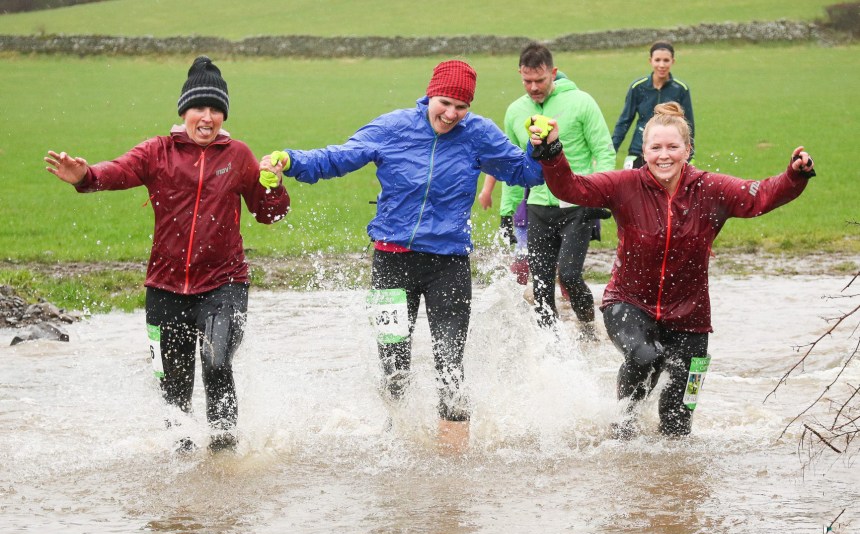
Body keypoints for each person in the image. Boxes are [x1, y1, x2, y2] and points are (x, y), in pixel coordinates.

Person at [269, 60, 544, 449]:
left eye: (461, 107)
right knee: (393, 366)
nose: (451, 114)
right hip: (391, 263)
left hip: (448, 265)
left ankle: (453, 461)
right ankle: (398, 449)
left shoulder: (478, 134)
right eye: (445, 103)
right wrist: (291, 161)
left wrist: (541, 147)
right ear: (430, 95)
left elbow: (527, 173)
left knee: (450, 364)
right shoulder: (393, 127)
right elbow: (338, 158)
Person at [44, 56, 291, 453]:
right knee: (173, 389)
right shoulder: (157, 152)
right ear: (184, 112)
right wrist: (86, 177)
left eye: (216, 109)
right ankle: (183, 462)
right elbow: (118, 171)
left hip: (224, 284)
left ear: (224, 115)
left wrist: (274, 187)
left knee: (217, 363)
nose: (207, 117)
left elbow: (268, 214)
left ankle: (224, 457)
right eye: (199, 108)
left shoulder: (238, 156)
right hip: (165, 288)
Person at [529, 102, 815, 437]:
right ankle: (622, 427)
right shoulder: (625, 185)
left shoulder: (709, 188)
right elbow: (571, 188)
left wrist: (794, 175)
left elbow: (760, 196)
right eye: (655, 148)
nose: (664, 156)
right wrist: (551, 151)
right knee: (645, 356)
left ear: (687, 150)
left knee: (679, 423)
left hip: (691, 318)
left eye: (672, 147)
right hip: (628, 303)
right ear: (644, 151)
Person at [482, 43, 615, 335]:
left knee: (569, 276)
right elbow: (514, 167)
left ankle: (589, 331)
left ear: (553, 73)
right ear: (520, 75)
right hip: (538, 208)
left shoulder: (582, 102)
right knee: (541, 285)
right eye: (527, 81)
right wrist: (506, 212)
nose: (533, 87)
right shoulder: (515, 111)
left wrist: (598, 195)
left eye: (540, 80)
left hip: (577, 205)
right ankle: (550, 347)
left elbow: (604, 151)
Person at [612, 41, 695, 169]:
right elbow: (624, 121)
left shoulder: (681, 89)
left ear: (673, 61)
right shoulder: (638, 87)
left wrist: (689, 156)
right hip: (638, 151)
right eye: (657, 60)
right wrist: (611, 151)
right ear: (650, 61)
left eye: (666, 60)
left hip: (668, 153)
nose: (661, 65)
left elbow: (688, 125)